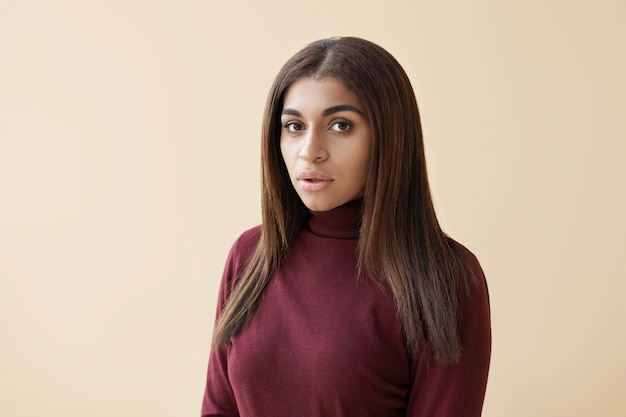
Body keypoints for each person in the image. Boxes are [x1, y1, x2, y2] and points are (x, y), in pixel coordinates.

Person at [201, 36, 491, 417]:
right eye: (294, 125)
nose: (310, 150)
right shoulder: (250, 256)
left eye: (340, 125)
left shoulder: (446, 279)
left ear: (389, 137)